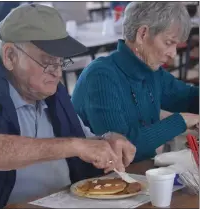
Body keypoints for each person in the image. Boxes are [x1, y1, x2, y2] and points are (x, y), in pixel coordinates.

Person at [0, 4, 136, 209]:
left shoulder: (48, 90)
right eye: (48, 62)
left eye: (60, 63)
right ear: (10, 56)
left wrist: (105, 142)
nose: (57, 74)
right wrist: (73, 146)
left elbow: (81, 140)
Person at [72, 2, 199, 162]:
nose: (173, 54)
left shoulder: (151, 71)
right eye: (168, 43)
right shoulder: (100, 76)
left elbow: (189, 97)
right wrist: (182, 120)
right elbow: (123, 150)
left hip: (137, 175)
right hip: (100, 182)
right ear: (142, 34)